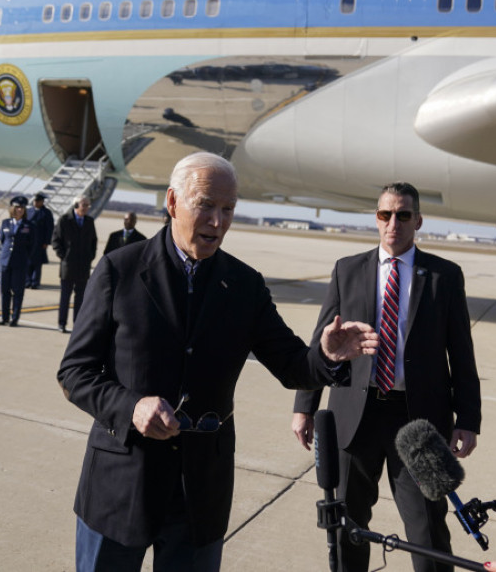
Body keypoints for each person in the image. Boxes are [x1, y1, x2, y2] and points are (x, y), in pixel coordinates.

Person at [57, 151, 380, 572]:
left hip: (199, 493)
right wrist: (130, 407)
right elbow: (75, 372)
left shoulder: (244, 286)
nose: (218, 221)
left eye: (228, 209)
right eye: (206, 205)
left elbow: (292, 365)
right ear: (172, 203)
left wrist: (325, 355)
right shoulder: (120, 270)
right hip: (120, 485)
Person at [292, 181, 482, 572]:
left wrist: (468, 420)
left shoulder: (444, 277)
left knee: (428, 531)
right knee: (347, 525)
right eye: (385, 214)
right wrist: (304, 406)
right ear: (376, 219)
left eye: (403, 215)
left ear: (418, 221)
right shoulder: (348, 270)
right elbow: (322, 343)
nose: (393, 222)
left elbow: (462, 353)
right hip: (354, 416)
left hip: (419, 421)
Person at [51, 196, 98, 333]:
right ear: (76, 205)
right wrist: (63, 256)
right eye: (84, 205)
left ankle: (77, 325)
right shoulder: (65, 220)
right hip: (68, 265)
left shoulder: (89, 221)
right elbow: (55, 240)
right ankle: (62, 323)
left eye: (88, 205)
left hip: (83, 266)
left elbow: (94, 241)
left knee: (80, 298)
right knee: (65, 297)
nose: (87, 208)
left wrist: (91, 256)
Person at [0, 195, 37, 326]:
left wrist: (25, 258)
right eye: (17, 207)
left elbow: (32, 245)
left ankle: (14, 318)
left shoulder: (29, 225)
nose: (19, 210)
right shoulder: (5, 223)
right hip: (5, 262)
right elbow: (3, 240)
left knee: (18, 292)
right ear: (12, 208)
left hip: (20, 263)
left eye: (22, 208)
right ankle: (4, 317)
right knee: (4, 291)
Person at [26, 193, 54, 289]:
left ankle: (35, 282)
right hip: (29, 242)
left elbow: (50, 228)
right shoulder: (29, 211)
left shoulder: (46, 213)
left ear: (42, 202)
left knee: (37, 264)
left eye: (38, 201)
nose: (35, 203)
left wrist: (46, 242)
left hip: (40, 242)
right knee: (28, 262)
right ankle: (27, 281)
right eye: (34, 201)